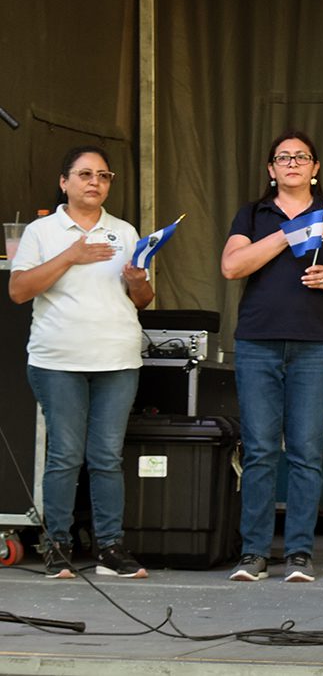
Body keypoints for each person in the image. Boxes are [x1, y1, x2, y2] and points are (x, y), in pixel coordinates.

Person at [221, 130, 323, 583]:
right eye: (283, 157)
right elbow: (231, 267)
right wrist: (289, 235)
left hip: (315, 345)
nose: (292, 163)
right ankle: (254, 553)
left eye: (301, 156)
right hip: (258, 343)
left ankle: (299, 553)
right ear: (271, 170)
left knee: (305, 451)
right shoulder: (252, 213)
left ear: (315, 167)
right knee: (261, 451)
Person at [8, 146, 154, 579]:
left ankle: (111, 546)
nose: (95, 182)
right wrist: (70, 255)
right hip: (58, 358)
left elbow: (144, 302)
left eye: (104, 176)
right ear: (64, 182)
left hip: (117, 356)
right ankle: (58, 544)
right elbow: (18, 291)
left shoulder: (126, 231)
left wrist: (138, 281)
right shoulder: (42, 231)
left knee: (107, 456)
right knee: (65, 455)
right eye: (85, 174)